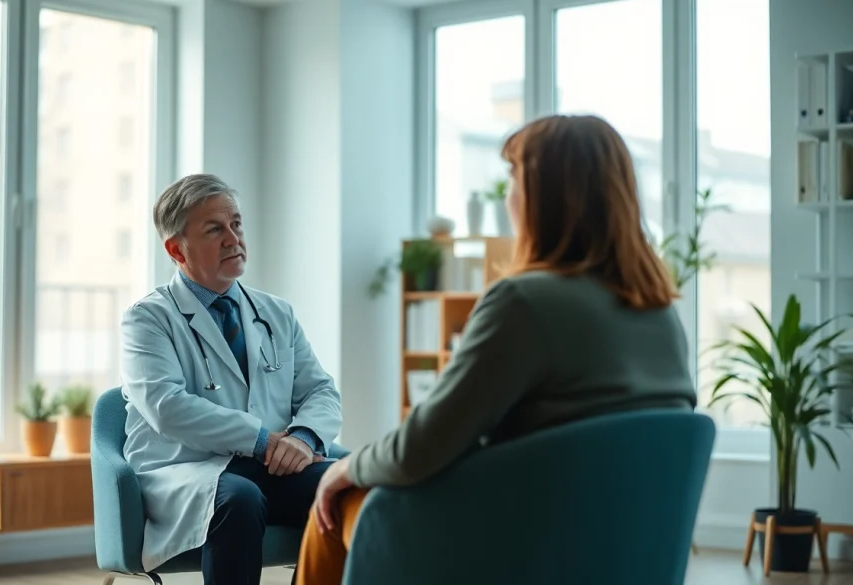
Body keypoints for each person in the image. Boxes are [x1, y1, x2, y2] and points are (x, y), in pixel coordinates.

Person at [293, 114, 698, 585]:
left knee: (336, 499)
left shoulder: (525, 302)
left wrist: (344, 467)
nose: (508, 197)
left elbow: (418, 450)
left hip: (523, 547)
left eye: (513, 179)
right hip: (621, 553)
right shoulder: (660, 312)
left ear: (543, 197)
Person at [119, 173, 343, 585]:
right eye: (214, 229)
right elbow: (167, 408)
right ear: (176, 249)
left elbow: (320, 390)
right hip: (187, 470)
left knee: (347, 485)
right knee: (239, 500)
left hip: (267, 467)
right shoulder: (148, 318)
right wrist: (262, 440)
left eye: (236, 224)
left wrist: (304, 439)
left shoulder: (276, 312)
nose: (232, 238)